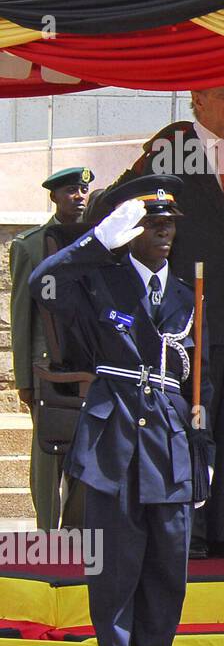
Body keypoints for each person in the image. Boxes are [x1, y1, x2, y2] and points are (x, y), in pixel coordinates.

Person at [31, 176, 213, 646]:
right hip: (116, 436)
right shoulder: (96, 282)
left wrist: (201, 449)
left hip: (172, 439)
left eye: (169, 225)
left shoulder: (186, 294)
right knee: (116, 568)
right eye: (150, 224)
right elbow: (41, 284)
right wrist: (94, 244)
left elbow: (199, 382)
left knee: (166, 567)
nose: (162, 232)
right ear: (126, 232)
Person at [106, 85, 224, 560]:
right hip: (190, 310)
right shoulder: (172, 150)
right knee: (192, 418)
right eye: (222, 95)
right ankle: (188, 530)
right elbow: (138, 217)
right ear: (196, 98)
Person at [10, 166, 93, 529]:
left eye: (83, 190)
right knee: (48, 451)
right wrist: (24, 378)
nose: (79, 197)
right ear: (54, 197)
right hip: (47, 364)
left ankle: (76, 528)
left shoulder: (96, 241)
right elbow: (21, 314)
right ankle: (47, 528)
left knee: (85, 446)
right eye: (71, 191)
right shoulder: (29, 245)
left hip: (89, 362)